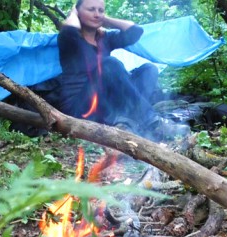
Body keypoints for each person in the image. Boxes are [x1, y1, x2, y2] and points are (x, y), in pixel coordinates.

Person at [57, 0, 175, 139]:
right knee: (108, 65)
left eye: (101, 10)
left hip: (106, 104)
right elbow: (69, 29)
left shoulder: (105, 39)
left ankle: (129, 122)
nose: (97, 14)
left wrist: (105, 20)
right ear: (78, 12)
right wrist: (73, 13)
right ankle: (151, 121)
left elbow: (135, 32)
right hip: (80, 107)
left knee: (149, 70)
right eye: (91, 9)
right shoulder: (69, 39)